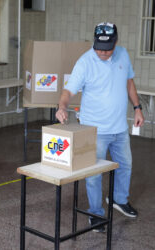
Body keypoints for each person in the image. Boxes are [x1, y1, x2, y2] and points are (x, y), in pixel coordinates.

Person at [55, 22, 144, 232]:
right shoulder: (85, 62)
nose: (103, 52)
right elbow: (68, 91)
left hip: (120, 127)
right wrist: (62, 107)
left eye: (108, 48)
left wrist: (137, 108)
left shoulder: (123, 54)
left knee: (125, 166)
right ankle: (95, 213)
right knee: (93, 174)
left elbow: (129, 82)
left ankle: (119, 199)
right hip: (94, 130)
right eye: (99, 47)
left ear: (116, 42)